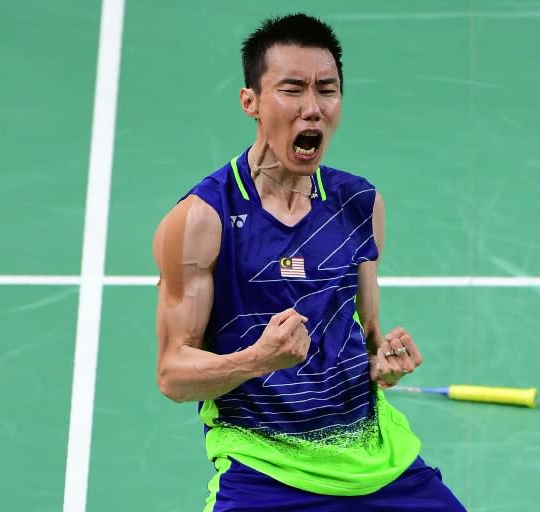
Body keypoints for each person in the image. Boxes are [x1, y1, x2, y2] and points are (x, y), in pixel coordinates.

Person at [152, 13, 466, 511]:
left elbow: (368, 341)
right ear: (250, 101)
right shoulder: (202, 220)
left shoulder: (359, 204)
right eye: (292, 90)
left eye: (327, 90)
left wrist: (385, 362)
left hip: (376, 465)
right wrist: (257, 359)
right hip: (264, 471)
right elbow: (172, 372)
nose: (313, 109)